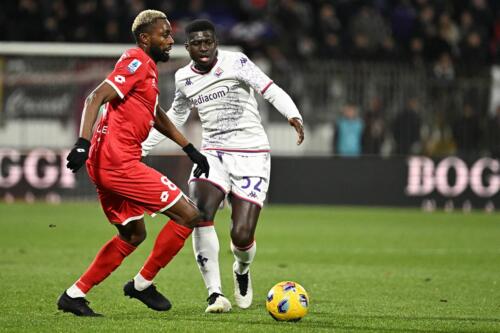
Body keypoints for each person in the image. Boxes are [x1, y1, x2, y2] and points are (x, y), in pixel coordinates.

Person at [141, 19, 304, 313]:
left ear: (215, 43)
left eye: (209, 42)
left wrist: (293, 115)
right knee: (200, 213)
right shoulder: (182, 79)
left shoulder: (237, 62)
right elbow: (174, 117)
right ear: (187, 47)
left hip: (252, 154)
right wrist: (140, 148)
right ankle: (215, 294)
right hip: (212, 153)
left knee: (241, 236)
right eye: (197, 43)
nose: (204, 48)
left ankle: (242, 270)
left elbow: (270, 89)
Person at [57, 10, 210, 317]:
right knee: (190, 215)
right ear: (145, 38)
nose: (170, 41)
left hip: (105, 164)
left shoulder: (148, 71)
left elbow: (156, 115)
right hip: (119, 163)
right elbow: (95, 97)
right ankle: (142, 284)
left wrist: (190, 148)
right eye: (164, 35)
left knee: (133, 235)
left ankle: (74, 295)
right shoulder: (136, 60)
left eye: (170, 35)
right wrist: (81, 143)